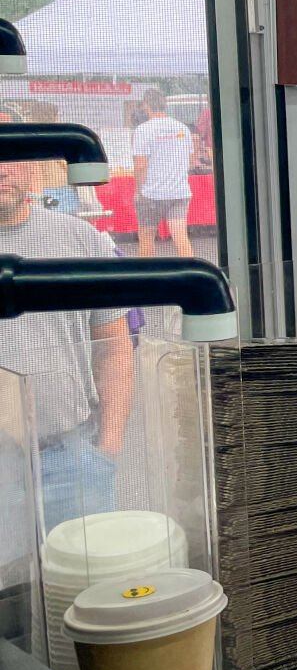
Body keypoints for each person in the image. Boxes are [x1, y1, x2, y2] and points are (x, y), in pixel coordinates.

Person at [0, 152, 134, 531]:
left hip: (71, 460)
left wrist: (107, 448)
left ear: (32, 167)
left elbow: (114, 346)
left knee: (85, 583)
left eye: (9, 158)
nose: (2, 169)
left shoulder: (79, 238)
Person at [131, 88, 195, 259]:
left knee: (146, 237)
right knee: (181, 238)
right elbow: (190, 159)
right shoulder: (182, 127)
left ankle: (149, 278)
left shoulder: (143, 130)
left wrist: (138, 190)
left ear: (146, 105)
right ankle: (190, 277)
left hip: (152, 193)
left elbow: (140, 165)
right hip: (179, 192)